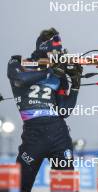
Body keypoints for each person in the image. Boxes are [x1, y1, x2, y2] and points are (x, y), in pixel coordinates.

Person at [7, 28, 82, 192]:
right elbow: (19, 80)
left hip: (58, 133)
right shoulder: (18, 63)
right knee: (18, 186)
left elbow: (64, 111)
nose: (58, 54)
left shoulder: (59, 73)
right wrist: (49, 72)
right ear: (43, 49)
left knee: (67, 187)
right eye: (54, 51)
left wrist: (75, 85)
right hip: (34, 135)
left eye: (59, 51)